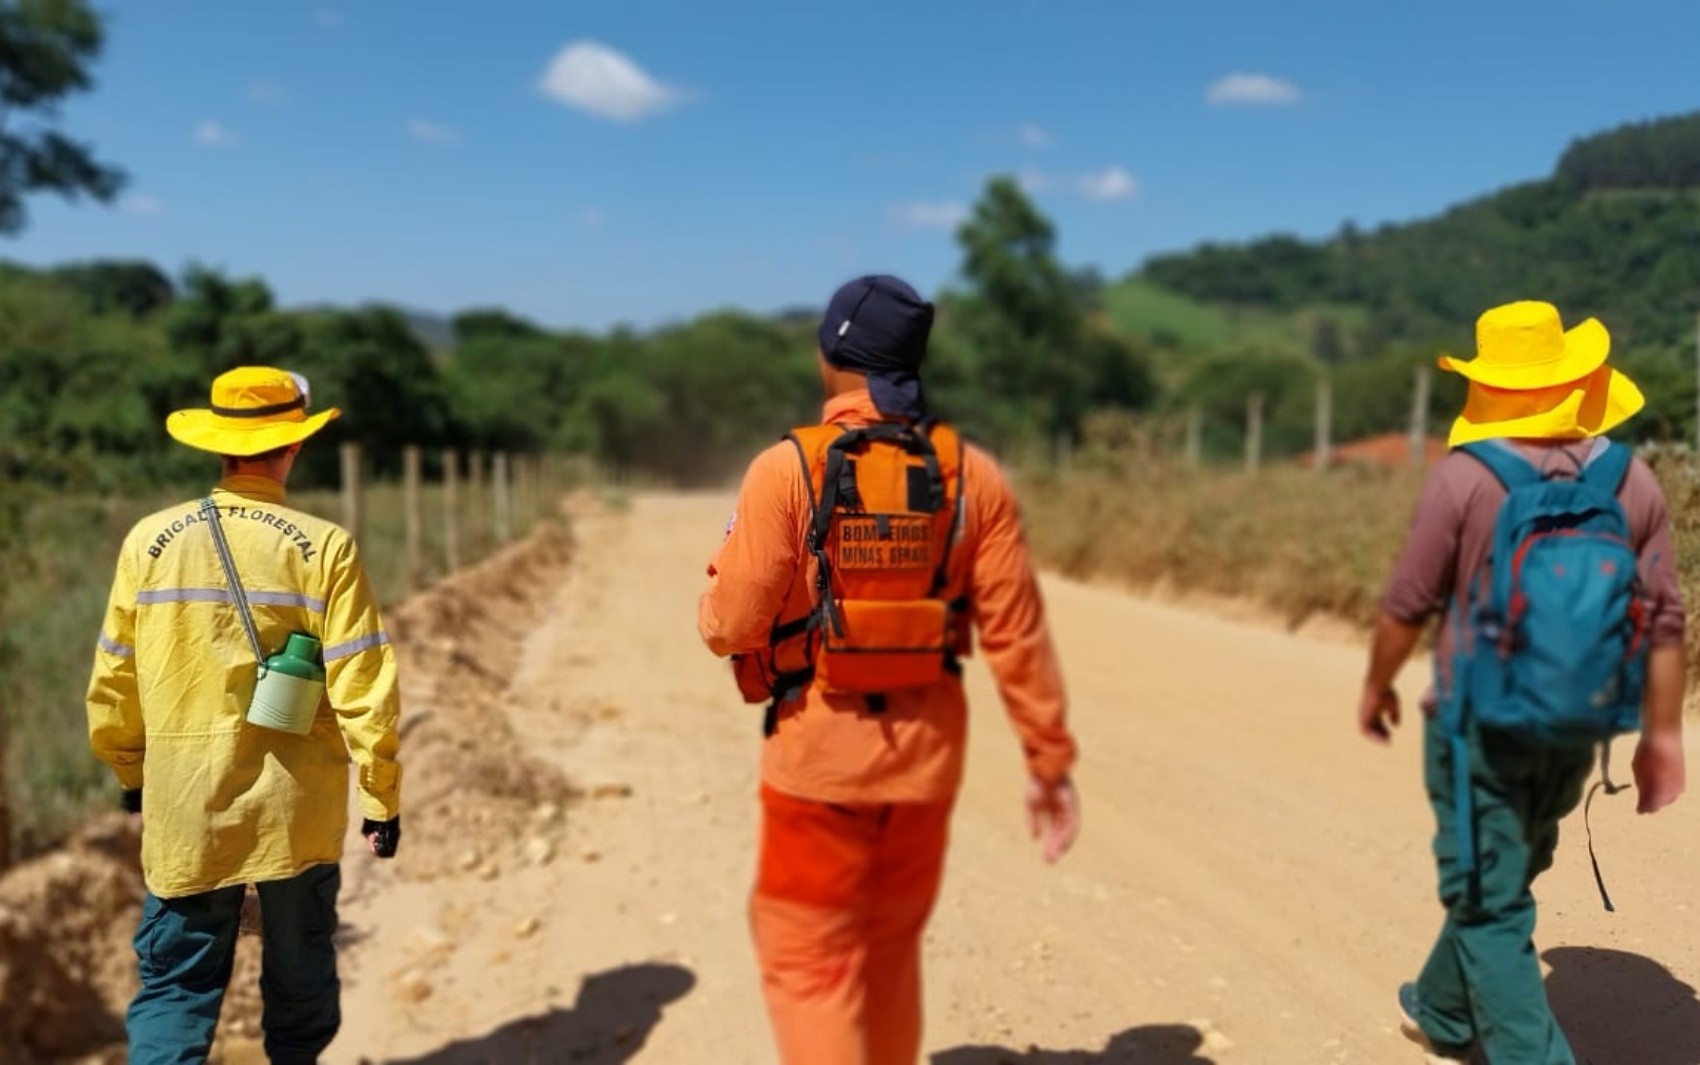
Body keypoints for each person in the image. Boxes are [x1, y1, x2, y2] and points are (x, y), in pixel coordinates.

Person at [699, 275, 1080, 1065]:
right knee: (890, 952)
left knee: (810, 961)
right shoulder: (973, 476)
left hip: (818, 764)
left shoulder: (785, 469)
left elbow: (729, 625)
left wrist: (716, 599)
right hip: (925, 763)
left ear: (834, 352)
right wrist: (1048, 760)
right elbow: (1017, 634)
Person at [1358, 301, 1686, 1063]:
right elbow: (1665, 615)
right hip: (1579, 718)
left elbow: (1407, 601)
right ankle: (1443, 1008)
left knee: (1491, 895)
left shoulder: (1466, 479)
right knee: (1515, 860)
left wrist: (1377, 683)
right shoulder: (1630, 480)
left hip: (1480, 723)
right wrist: (1660, 736)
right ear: (1574, 378)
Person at [87, 366, 404, 1064]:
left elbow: (114, 675)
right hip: (297, 810)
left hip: (185, 805)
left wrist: (131, 771)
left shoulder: (149, 540)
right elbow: (364, 685)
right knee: (300, 977)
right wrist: (381, 797)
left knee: (175, 988)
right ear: (293, 445)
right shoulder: (325, 546)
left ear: (220, 443)